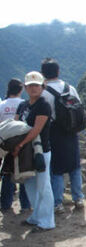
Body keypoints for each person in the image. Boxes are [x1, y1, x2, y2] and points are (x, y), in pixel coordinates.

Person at [40, 58, 84, 213]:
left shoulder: (44, 93)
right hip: (71, 131)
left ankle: (57, 203)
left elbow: (42, 115)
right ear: (58, 71)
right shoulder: (70, 88)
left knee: (57, 169)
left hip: (54, 132)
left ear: (43, 74)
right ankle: (78, 198)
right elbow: (79, 107)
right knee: (75, 166)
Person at [13, 71, 54, 232]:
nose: (33, 88)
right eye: (30, 86)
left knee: (43, 185)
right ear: (25, 87)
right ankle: (36, 216)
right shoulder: (22, 105)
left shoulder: (43, 105)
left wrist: (20, 144)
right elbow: (15, 125)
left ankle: (47, 221)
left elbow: (36, 130)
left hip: (40, 151)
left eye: (36, 85)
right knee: (29, 184)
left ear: (42, 87)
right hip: (25, 152)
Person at [0, 79, 31, 212]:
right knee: (23, 172)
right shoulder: (24, 104)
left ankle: (5, 204)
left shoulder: (2, 105)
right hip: (22, 143)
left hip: (5, 142)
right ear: (21, 89)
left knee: (7, 173)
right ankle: (25, 205)